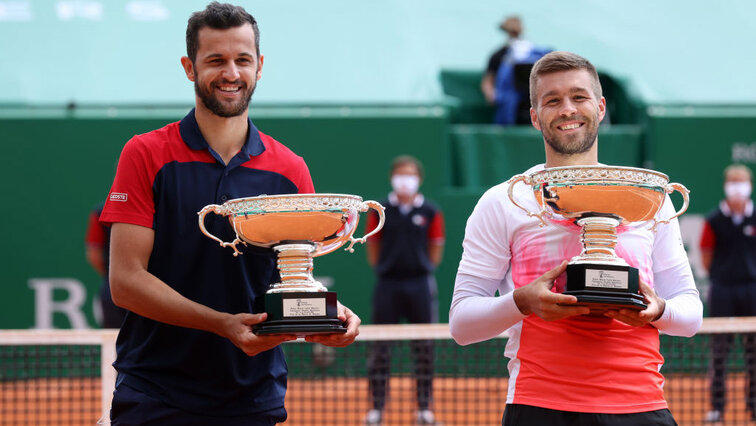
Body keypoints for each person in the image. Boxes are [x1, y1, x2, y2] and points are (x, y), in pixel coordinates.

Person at [99, 3, 360, 424]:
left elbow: (294, 276)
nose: (231, 73)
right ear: (189, 68)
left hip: (254, 396)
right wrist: (222, 324)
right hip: (155, 392)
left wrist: (330, 315)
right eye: (215, 61)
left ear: (260, 66)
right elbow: (126, 282)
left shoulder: (290, 169)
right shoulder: (145, 153)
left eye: (242, 60)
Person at [450, 51, 703, 425]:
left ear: (600, 107)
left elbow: (691, 315)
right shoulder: (503, 202)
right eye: (552, 100)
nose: (567, 109)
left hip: (641, 407)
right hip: (539, 408)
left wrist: (658, 310)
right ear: (535, 117)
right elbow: (461, 324)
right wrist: (522, 302)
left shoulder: (648, 199)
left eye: (579, 97)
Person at [363, 155, 445, 426]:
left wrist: (423, 268)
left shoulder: (431, 211)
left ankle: (423, 408)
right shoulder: (380, 211)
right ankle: (376, 409)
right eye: (400, 174)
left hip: (420, 285)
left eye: (410, 175)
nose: (405, 180)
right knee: (380, 350)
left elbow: (436, 246)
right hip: (387, 285)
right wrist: (384, 268)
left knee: (424, 348)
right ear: (392, 178)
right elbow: (372, 246)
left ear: (419, 179)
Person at [700, 164, 756, 423]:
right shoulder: (714, 220)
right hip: (722, 291)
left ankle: (754, 406)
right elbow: (706, 256)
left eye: (741, 182)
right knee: (719, 353)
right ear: (725, 185)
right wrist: (723, 276)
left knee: (754, 354)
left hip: (752, 291)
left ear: (750, 185)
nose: (737, 187)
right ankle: (718, 407)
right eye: (732, 182)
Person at [84, 201, 126, 328]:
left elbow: (93, 255)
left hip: (114, 287)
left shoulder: (99, 211)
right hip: (115, 290)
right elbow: (94, 255)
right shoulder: (99, 212)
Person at [480, 16, 523, 106]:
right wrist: (492, 95)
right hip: (506, 102)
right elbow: (488, 80)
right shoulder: (498, 55)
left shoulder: (530, 54)